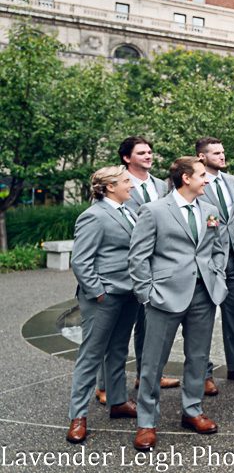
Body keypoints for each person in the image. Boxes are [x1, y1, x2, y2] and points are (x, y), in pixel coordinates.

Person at [129, 157, 227, 451]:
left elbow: (218, 248)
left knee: (198, 357)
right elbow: (138, 257)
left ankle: (192, 410)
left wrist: (216, 274)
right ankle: (146, 421)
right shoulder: (155, 210)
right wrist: (147, 293)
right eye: (201, 175)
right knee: (153, 361)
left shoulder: (210, 210)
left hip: (203, 294)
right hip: (164, 296)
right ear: (185, 178)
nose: (207, 180)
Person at [94, 138, 179, 407]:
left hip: (156, 262)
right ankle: (104, 384)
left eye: (150, 152)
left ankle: (146, 375)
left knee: (148, 324)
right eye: (141, 152)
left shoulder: (160, 184)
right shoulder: (118, 184)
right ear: (127, 158)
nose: (148, 156)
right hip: (127, 262)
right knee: (115, 332)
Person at [66, 166, 140, 443]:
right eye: (125, 182)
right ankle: (78, 416)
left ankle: (118, 401)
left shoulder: (128, 212)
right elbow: (81, 260)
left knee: (119, 349)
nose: (131, 186)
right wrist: (98, 292)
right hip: (104, 296)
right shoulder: (93, 216)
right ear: (109, 187)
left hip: (128, 293)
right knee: (91, 354)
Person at [196, 137, 234, 395]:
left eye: (223, 152)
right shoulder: (192, 182)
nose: (222, 156)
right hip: (208, 259)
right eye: (216, 153)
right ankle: (203, 372)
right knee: (203, 318)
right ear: (201, 157)